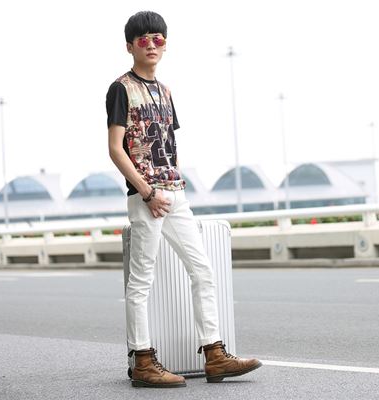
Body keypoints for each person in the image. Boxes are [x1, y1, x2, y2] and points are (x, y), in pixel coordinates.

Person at [105, 10, 262, 388]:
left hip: (174, 194)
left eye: (158, 38)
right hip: (146, 198)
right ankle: (143, 361)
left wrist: (172, 186)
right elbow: (115, 148)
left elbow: (168, 147)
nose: (152, 45)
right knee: (141, 282)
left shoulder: (166, 91)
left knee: (202, 271)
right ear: (130, 46)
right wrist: (147, 192)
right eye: (143, 39)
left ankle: (215, 355)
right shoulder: (121, 88)